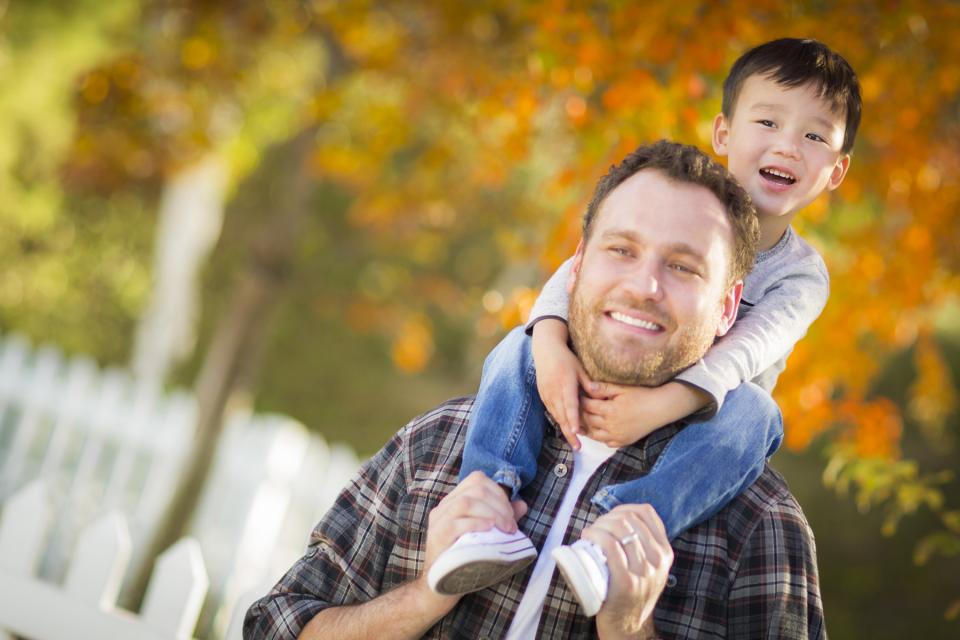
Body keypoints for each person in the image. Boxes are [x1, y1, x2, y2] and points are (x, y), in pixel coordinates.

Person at [244, 140, 826, 639]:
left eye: (683, 267)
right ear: (576, 268)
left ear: (729, 307)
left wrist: (629, 629)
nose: (644, 285)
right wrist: (426, 593)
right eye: (621, 250)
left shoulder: (761, 526)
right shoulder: (439, 444)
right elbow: (278, 627)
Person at [433, 38, 860, 615]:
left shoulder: (802, 276)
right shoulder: (674, 198)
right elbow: (574, 274)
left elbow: (747, 354)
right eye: (768, 121)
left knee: (759, 414)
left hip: (711, 420)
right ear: (725, 135)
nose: (788, 145)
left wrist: (661, 406)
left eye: (814, 136)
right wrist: (553, 344)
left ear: (836, 171)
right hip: (617, 368)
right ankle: (486, 500)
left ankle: (621, 532)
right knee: (520, 342)